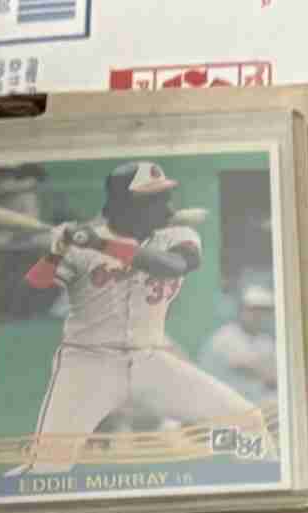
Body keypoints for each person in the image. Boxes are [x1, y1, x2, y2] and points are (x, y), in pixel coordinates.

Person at [20, 160, 261, 464]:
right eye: (155, 200)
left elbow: (174, 265)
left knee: (247, 421)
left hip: (149, 358)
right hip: (88, 363)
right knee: (47, 465)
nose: (167, 207)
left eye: (165, 197)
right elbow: (34, 288)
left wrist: (101, 243)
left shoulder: (178, 236)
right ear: (126, 206)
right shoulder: (80, 249)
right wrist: (56, 251)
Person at [197, 276, 282, 405]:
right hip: (222, 405)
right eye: (253, 309)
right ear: (242, 310)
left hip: (254, 404)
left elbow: (276, 373)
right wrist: (270, 371)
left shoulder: (265, 341)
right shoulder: (226, 336)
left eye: (263, 310)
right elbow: (245, 364)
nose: (258, 315)